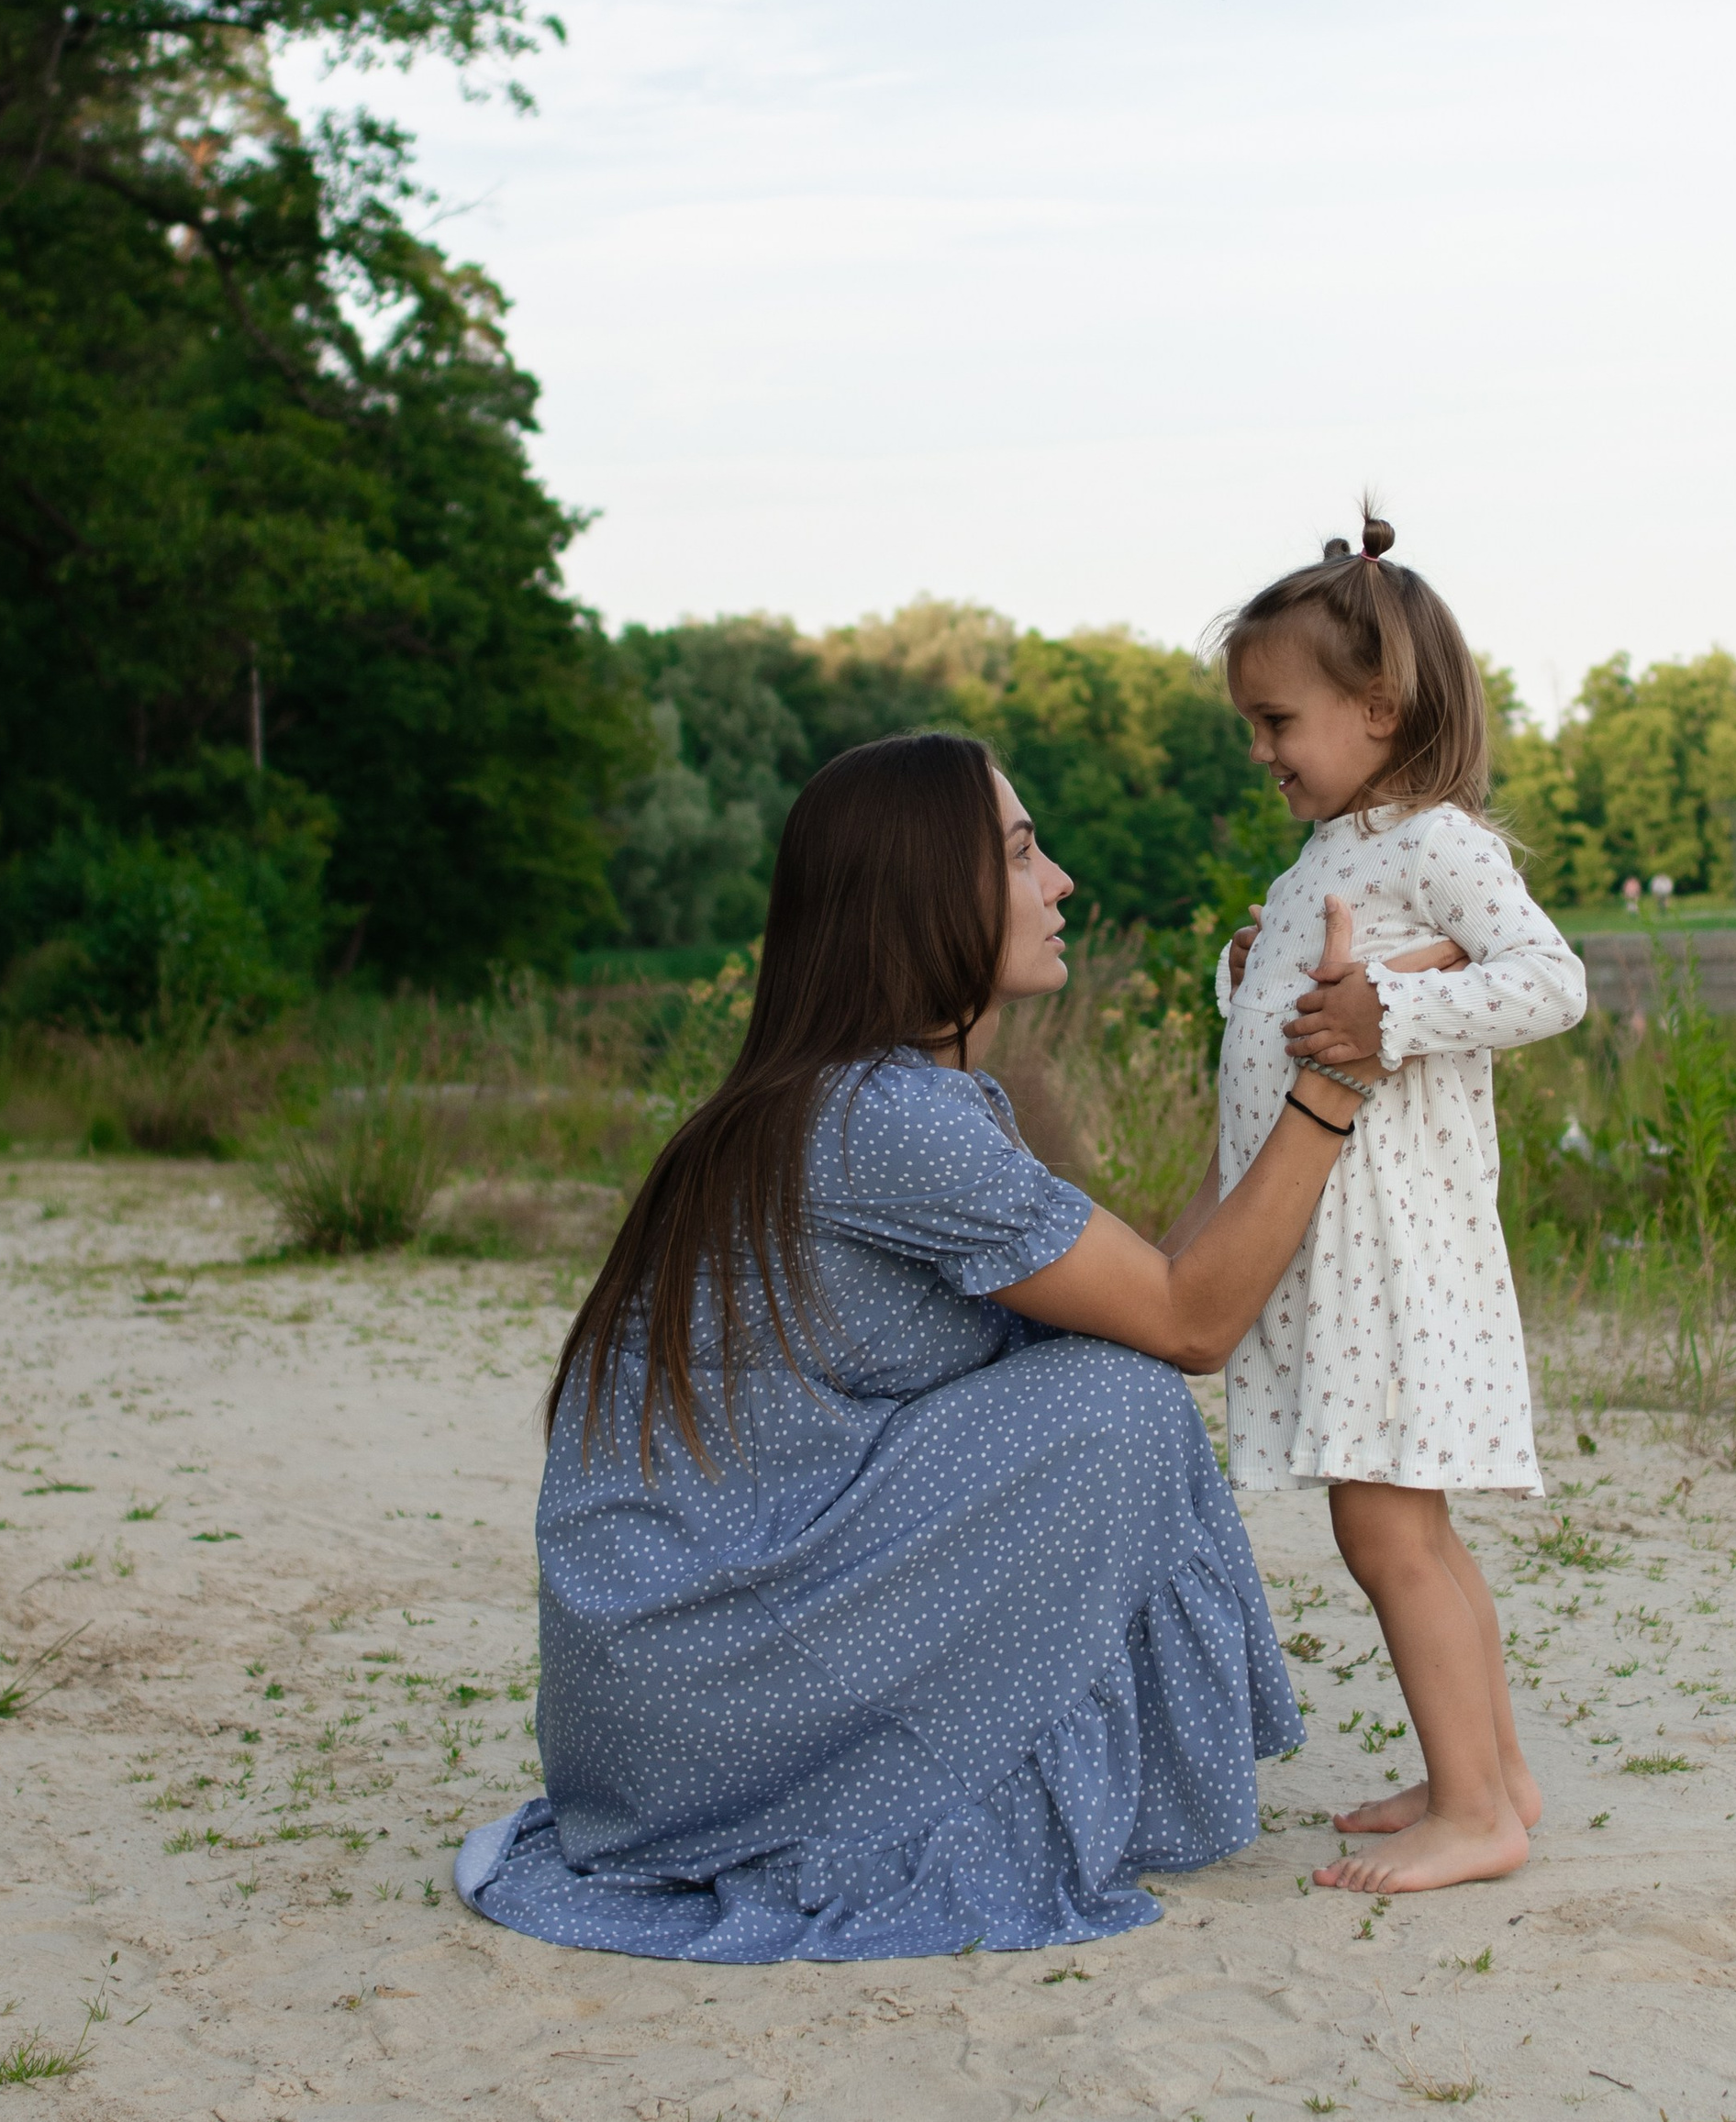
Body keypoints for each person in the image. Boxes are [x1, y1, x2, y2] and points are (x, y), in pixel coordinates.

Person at [453, 730, 1374, 1965]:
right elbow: (1194, 1322)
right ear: (925, 893)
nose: (1061, 883)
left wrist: (1261, 1050)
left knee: (1114, 1378)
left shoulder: (837, 1097)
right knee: (1123, 1405)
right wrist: (1335, 1090)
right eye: (1021, 852)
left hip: (660, 1701)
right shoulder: (888, 1124)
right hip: (702, 1698)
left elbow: (1157, 1288)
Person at [1176, 513, 1586, 1894]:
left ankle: (1477, 1811)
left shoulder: (1435, 838)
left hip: (1397, 1259)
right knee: (1412, 1526)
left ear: (1379, 706)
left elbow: (1550, 981)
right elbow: (1315, 1017)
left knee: (1385, 1527)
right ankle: (1495, 1772)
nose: (1263, 749)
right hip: (1347, 1264)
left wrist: (1395, 1005)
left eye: (1276, 718)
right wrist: (1256, 971)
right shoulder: (1337, 852)